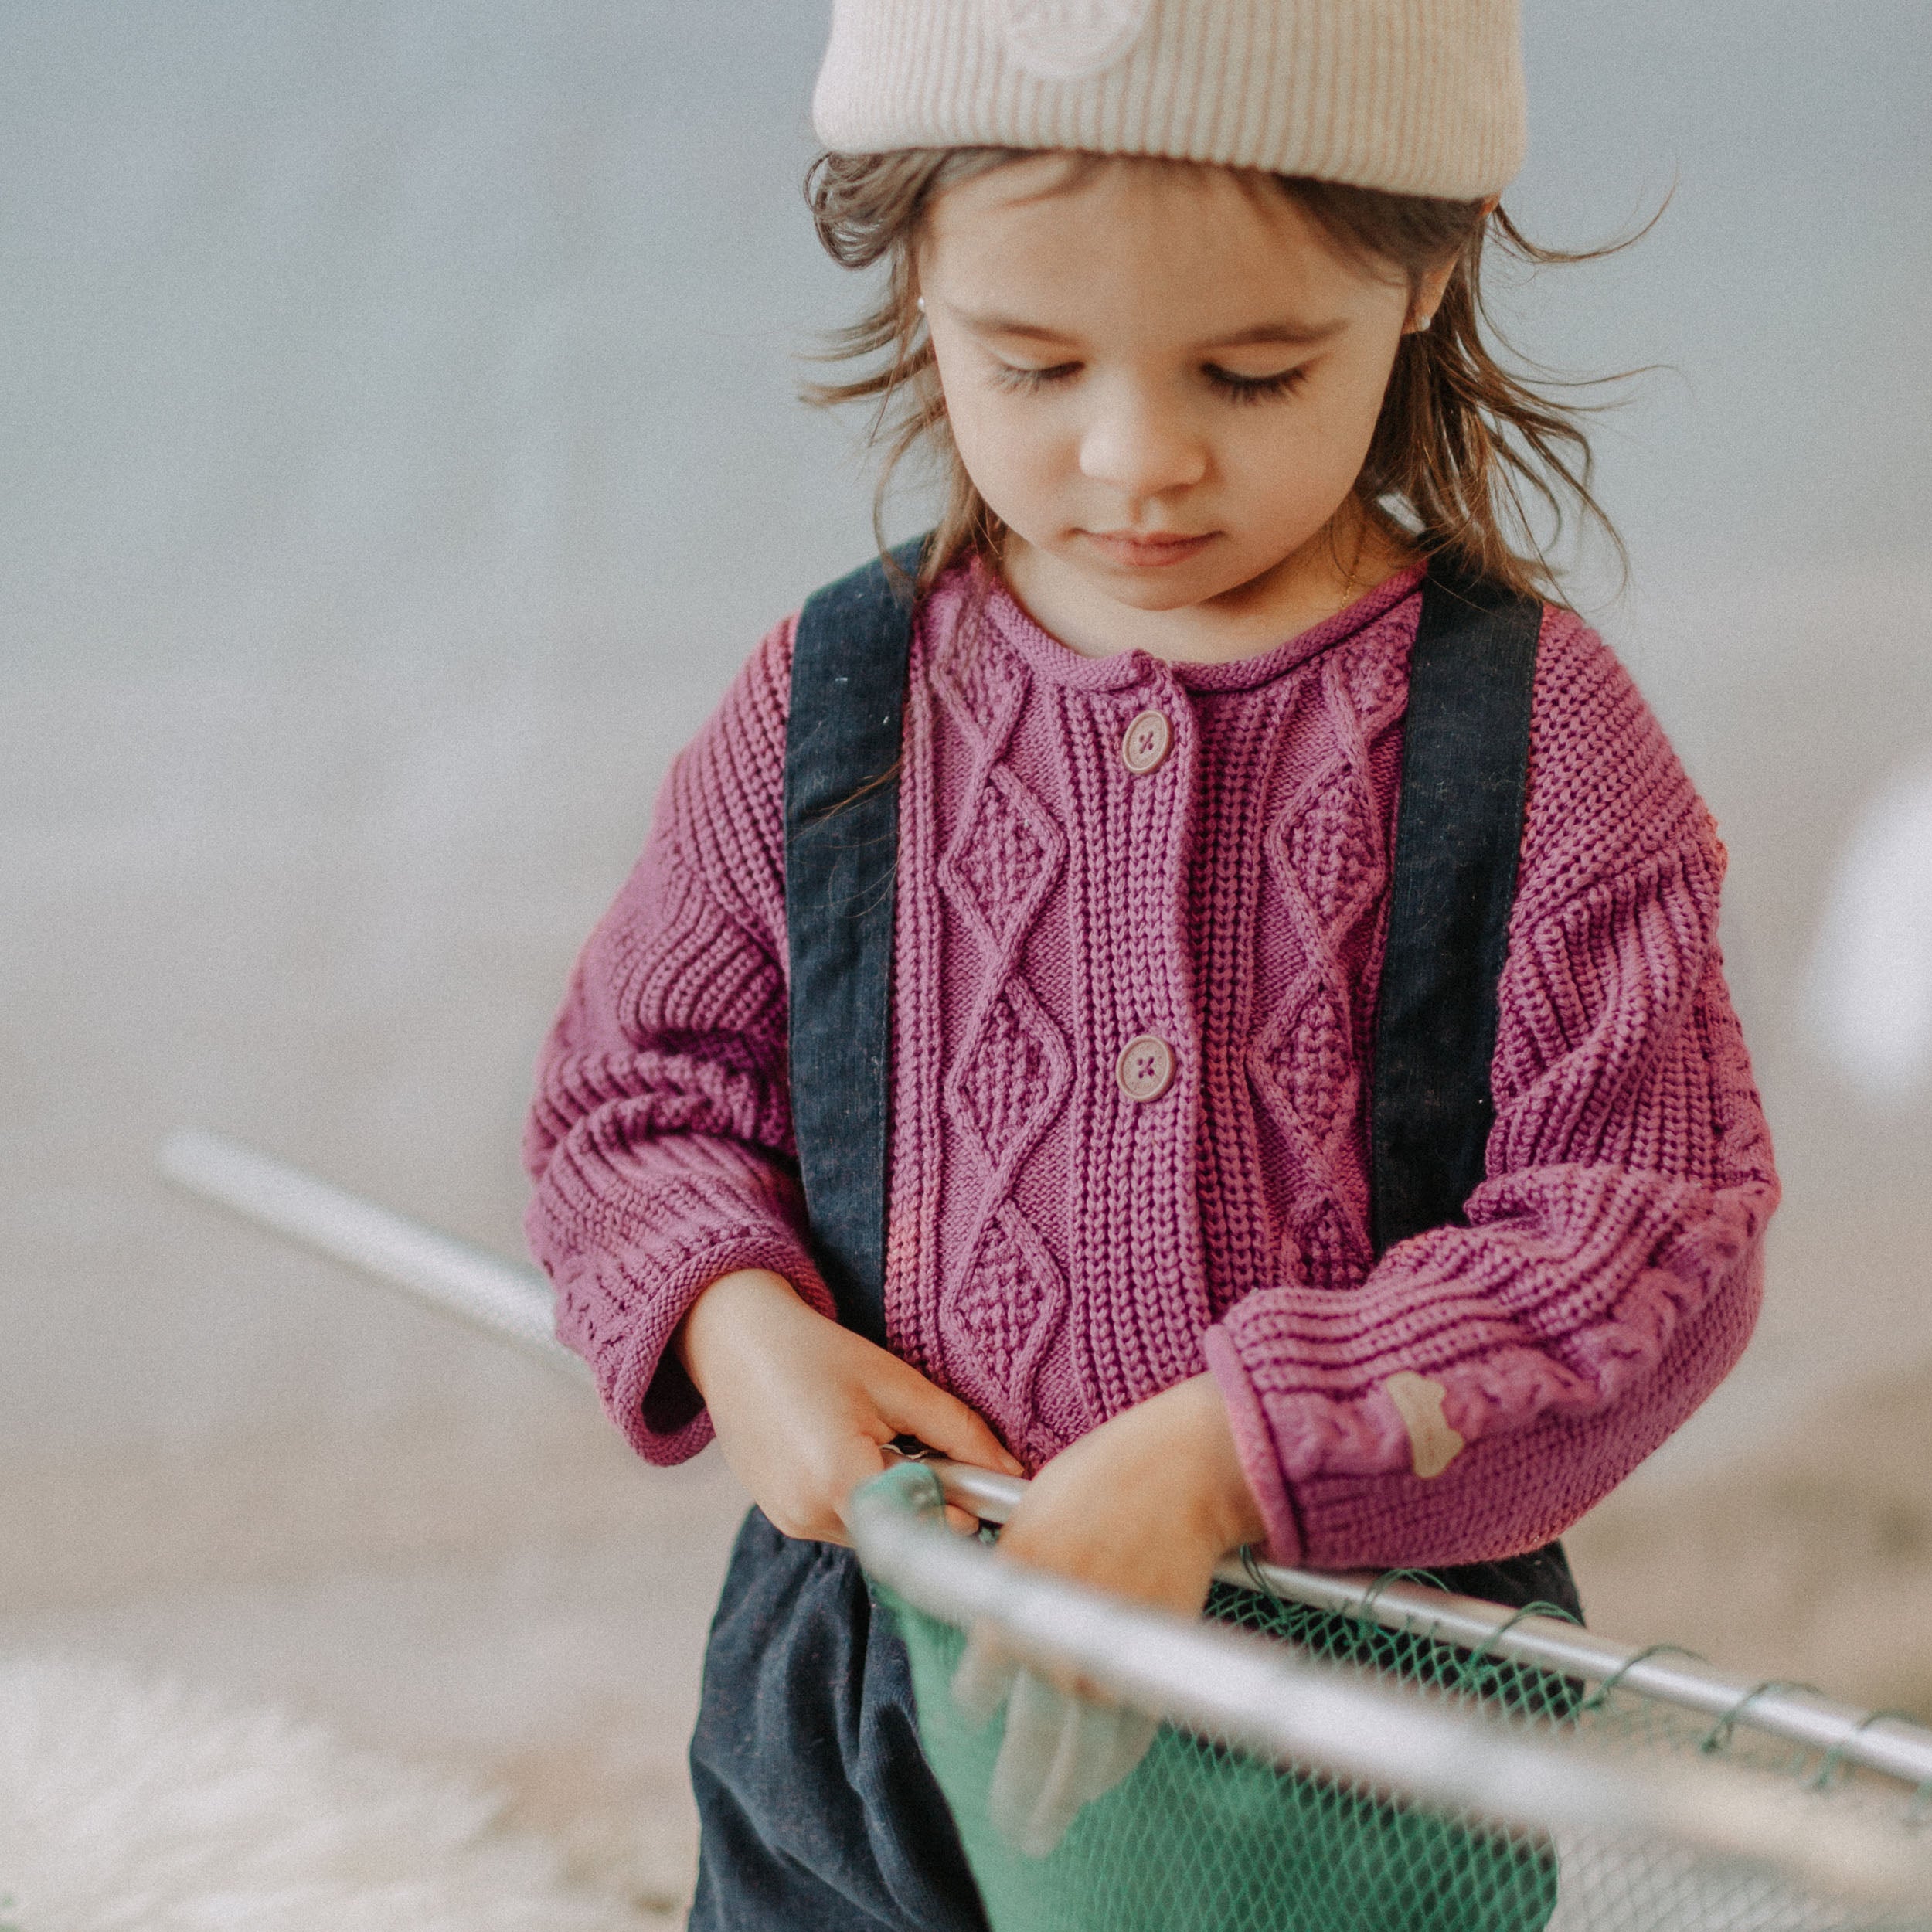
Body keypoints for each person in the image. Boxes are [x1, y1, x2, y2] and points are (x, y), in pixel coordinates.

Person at [523, 2, 1779, 1925]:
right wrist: (730, 1318)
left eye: (1253, 373)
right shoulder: (830, 707)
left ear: (1426, 268)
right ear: (914, 275)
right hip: (874, 1689)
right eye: (1026, 362)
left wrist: (1235, 1448)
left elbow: (1646, 1227)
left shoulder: (1533, 744)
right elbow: (635, 1098)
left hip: (1346, 1699)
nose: (1134, 460)